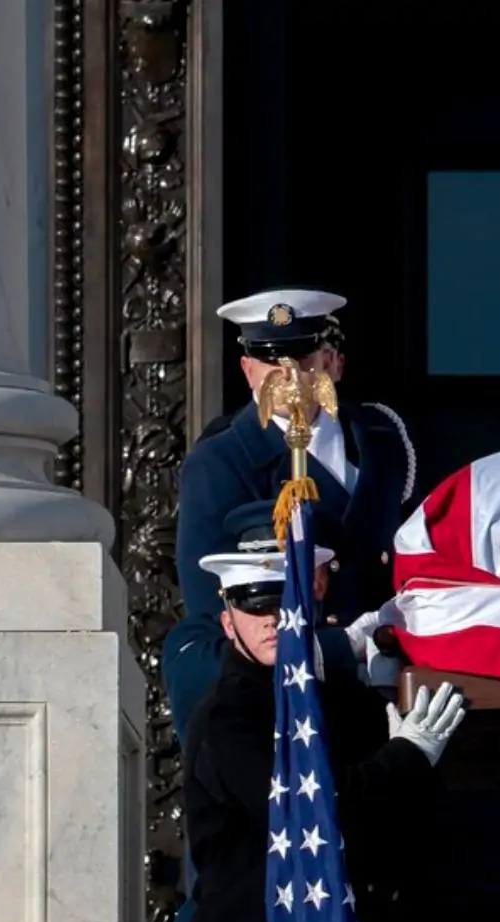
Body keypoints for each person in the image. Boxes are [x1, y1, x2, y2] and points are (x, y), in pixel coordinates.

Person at [183, 502, 465, 922]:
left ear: (315, 595)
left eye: (286, 601)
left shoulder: (343, 698)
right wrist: (405, 759)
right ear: (226, 619)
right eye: (255, 605)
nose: (272, 621)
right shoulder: (233, 715)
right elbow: (314, 809)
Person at [162, 287, 416, 744]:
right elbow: (212, 598)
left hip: (392, 672)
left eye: (302, 357)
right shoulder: (222, 460)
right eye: (270, 360)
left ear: (330, 361)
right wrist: (330, 649)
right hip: (299, 685)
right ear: (247, 370)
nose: (288, 374)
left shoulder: (381, 436)